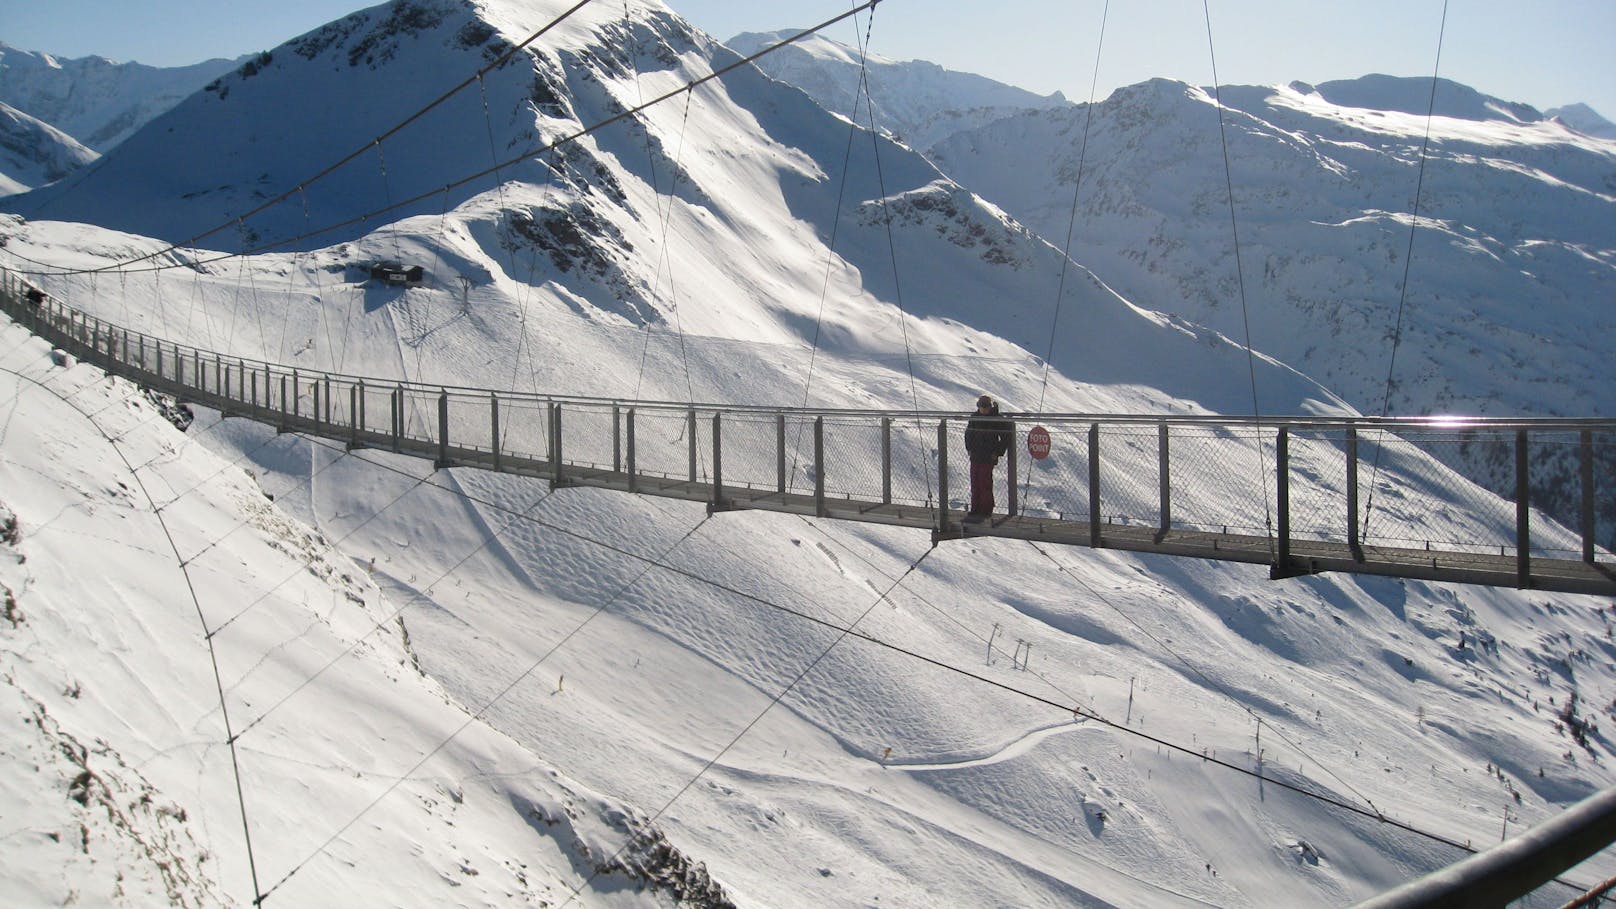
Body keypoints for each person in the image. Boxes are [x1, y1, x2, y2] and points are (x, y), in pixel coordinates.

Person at [963, 394, 1012, 521]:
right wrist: (969, 449)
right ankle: (975, 509)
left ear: (990, 407)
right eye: (981, 407)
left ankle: (985, 510)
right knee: (975, 482)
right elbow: (968, 434)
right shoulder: (974, 418)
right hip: (976, 455)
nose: (983, 409)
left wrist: (998, 452)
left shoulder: (997, 419)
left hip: (989, 455)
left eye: (985, 407)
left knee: (985, 483)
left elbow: (1006, 437)